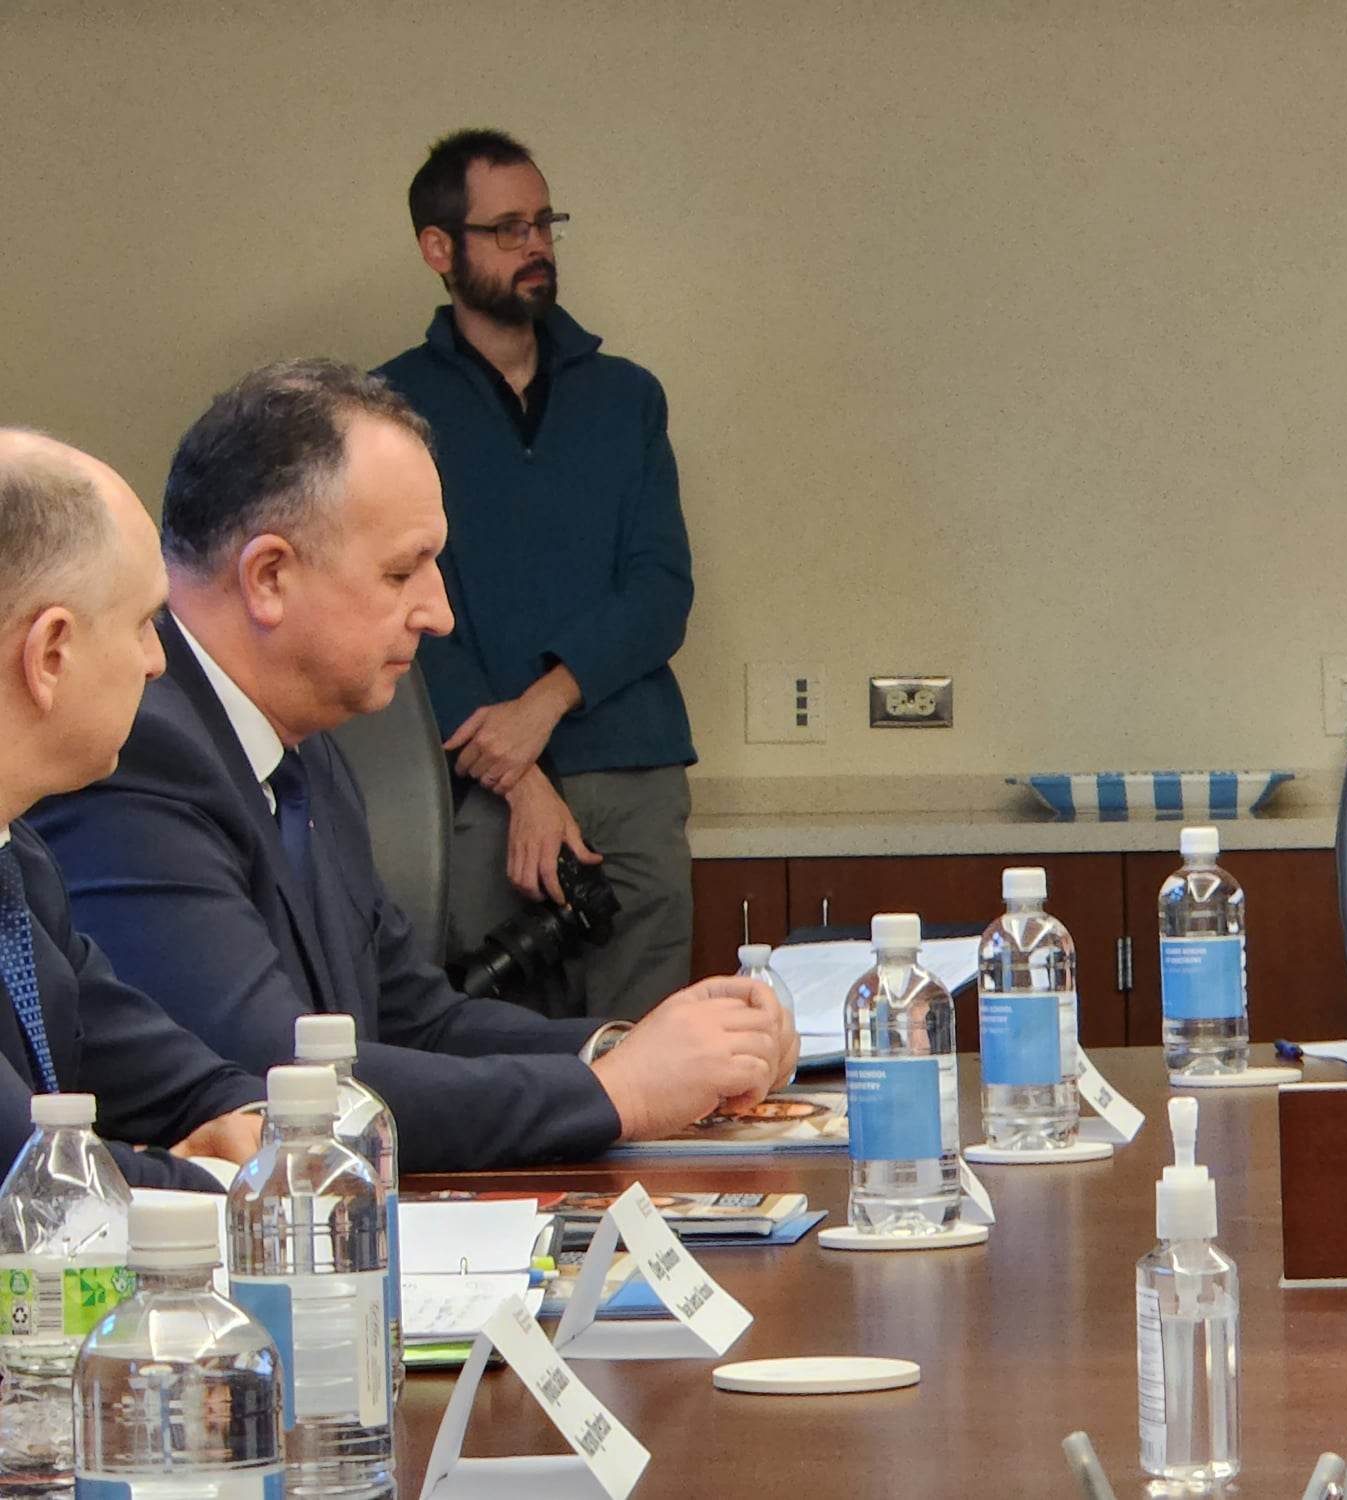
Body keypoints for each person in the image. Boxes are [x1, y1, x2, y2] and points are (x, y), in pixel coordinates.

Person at [29, 362, 796, 1173]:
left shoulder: (307, 744)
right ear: (270, 577)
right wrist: (618, 1094)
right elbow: (275, 1077)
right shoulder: (136, 751)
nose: (438, 613)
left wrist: (631, 1048)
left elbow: (413, 1018)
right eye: (401, 573)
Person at [375, 128, 695, 1023]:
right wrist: (518, 776)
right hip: (472, 790)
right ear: (440, 249)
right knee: (499, 1061)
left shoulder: (627, 396)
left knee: (651, 1057)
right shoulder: (385, 411)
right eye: (508, 228)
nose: (536, 246)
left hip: (630, 770)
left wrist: (545, 705)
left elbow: (660, 590)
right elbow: (393, 609)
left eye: (544, 223)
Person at [0, 430, 263, 1189]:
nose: (157, 661)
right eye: (146, 622)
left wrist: (237, 1116)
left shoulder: (20, 862)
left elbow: (146, 1061)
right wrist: (205, 1181)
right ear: (51, 653)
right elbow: (29, 1176)